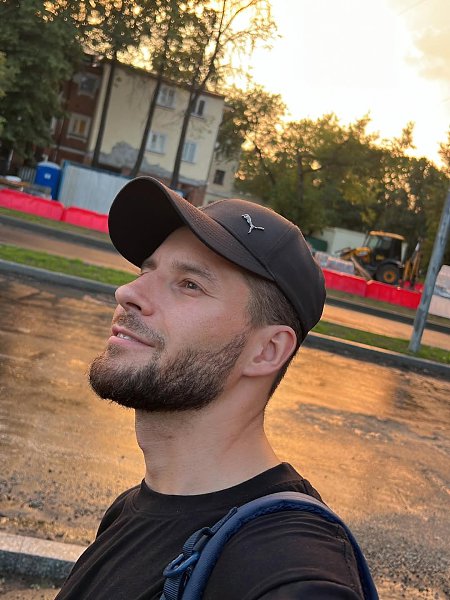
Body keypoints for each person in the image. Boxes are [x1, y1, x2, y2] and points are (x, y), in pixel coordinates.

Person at [56, 176, 373, 600]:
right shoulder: (130, 510)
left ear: (266, 351)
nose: (127, 292)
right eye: (147, 270)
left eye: (190, 284)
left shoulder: (288, 568)